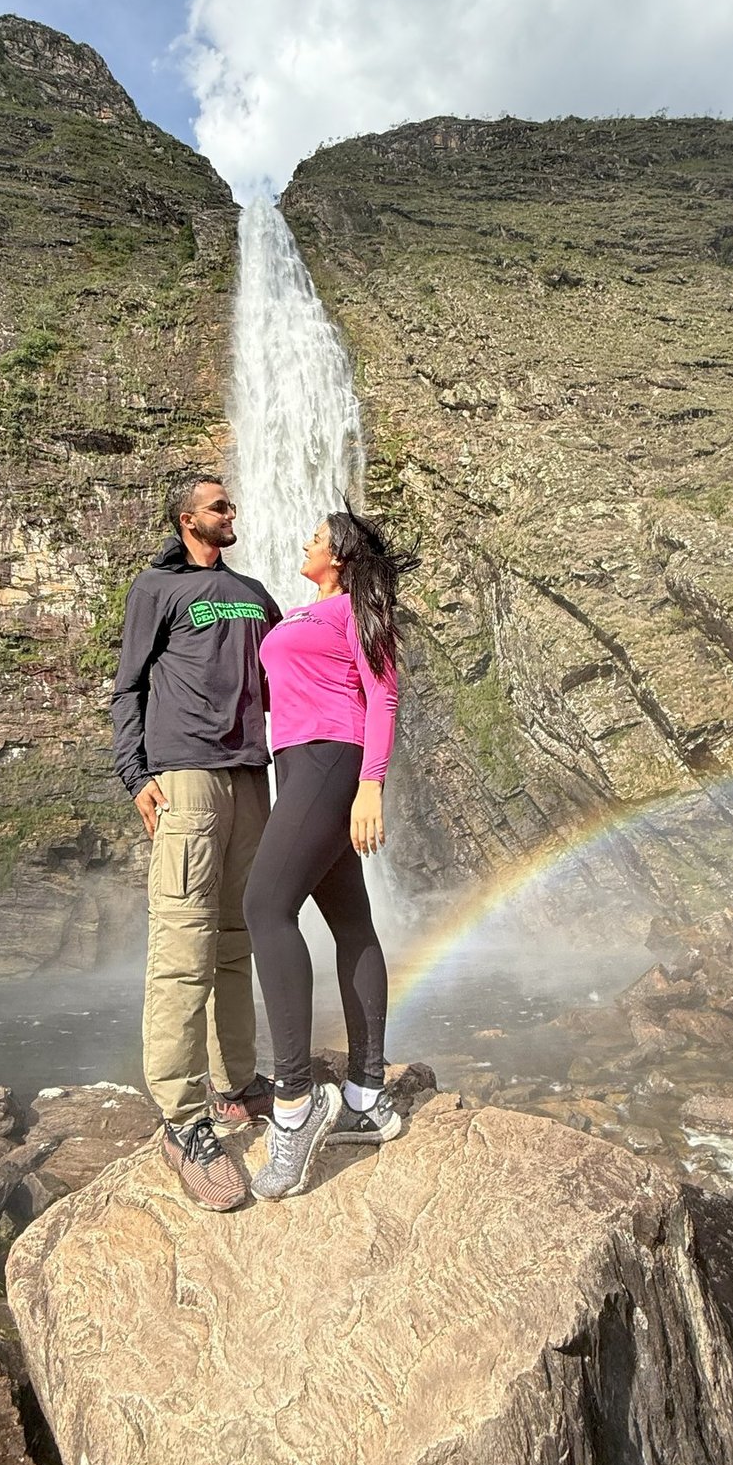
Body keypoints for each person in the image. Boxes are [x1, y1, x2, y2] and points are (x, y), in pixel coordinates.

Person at [111, 472, 282, 1211]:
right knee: (183, 947)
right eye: (218, 506)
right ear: (188, 519)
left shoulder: (252, 592)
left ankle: (237, 1083)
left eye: (230, 504)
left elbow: (288, 673)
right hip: (186, 775)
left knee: (236, 940)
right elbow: (129, 686)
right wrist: (135, 775)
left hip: (249, 775)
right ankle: (183, 1120)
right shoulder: (157, 588)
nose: (230, 512)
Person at [244, 504, 418, 1200]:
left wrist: (371, 784)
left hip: (332, 759)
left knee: (264, 907)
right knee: (351, 922)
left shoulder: (355, 610)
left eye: (316, 538)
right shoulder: (301, 613)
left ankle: (295, 1101)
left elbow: (384, 696)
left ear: (340, 556)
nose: (305, 543)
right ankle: (367, 1099)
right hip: (296, 764)